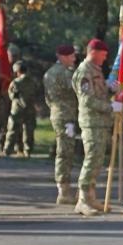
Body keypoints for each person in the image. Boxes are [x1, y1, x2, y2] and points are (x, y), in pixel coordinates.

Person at [72, 38, 119, 217]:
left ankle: (90, 196)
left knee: (97, 160)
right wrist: (110, 107)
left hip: (100, 122)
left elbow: (98, 93)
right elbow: (87, 99)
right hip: (91, 122)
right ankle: (82, 200)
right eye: (103, 54)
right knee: (91, 159)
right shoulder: (84, 71)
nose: (105, 57)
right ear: (93, 52)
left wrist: (110, 90)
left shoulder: (95, 70)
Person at [43, 44, 79, 204]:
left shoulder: (49, 73)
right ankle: (64, 190)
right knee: (65, 152)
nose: (74, 58)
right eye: (71, 56)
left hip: (57, 114)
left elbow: (47, 98)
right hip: (66, 117)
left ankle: (64, 187)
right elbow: (78, 90)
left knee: (64, 150)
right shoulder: (65, 73)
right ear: (63, 57)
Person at [4, 61, 37, 158]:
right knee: (29, 130)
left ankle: (7, 150)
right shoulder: (32, 82)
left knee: (12, 130)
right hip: (30, 109)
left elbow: (12, 96)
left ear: (17, 71)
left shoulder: (15, 82)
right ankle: (28, 151)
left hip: (17, 109)